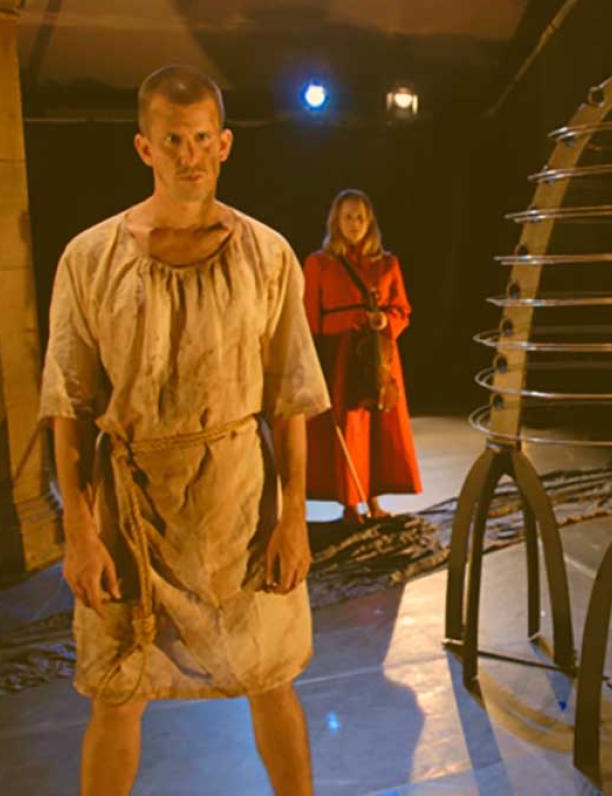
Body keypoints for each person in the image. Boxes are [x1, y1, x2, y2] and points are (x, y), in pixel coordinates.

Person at [40, 65, 330, 794]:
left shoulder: (266, 256)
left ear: (225, 143)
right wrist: (78, 529)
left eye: (202, 138)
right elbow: (67, 405)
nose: (190, 154)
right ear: (145, 147)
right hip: (131, 509)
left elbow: (291, 398)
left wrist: (292, 518)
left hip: (237, 505)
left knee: (270, 677)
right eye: (174, 140)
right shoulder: (90, 258)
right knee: (116, 692)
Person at [303, 189, 422, 525]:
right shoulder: (319, 263)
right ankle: (349, 504)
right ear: (336, 222)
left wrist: (387, 321)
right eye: (347, 217)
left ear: (369, 222)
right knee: (347, 427)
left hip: (378, 355)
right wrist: (314, 360)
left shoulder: (387, 263)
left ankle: (374, 500)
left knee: (378, 429)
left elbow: (402, 309)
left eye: (359, 217)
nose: (353, 223)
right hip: (339, 355)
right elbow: (309, 316)